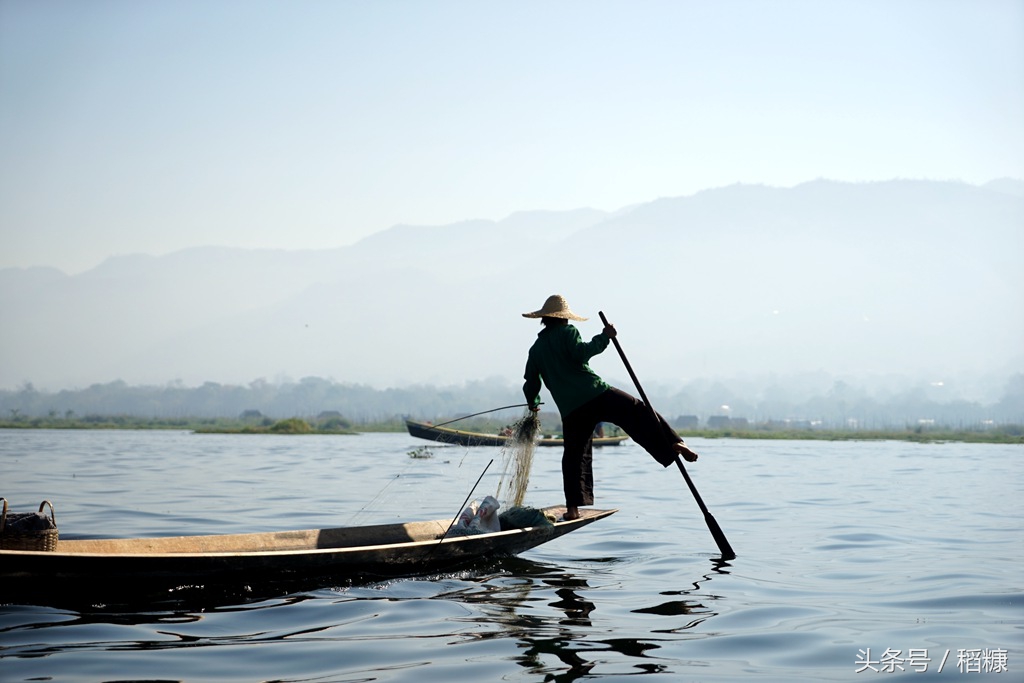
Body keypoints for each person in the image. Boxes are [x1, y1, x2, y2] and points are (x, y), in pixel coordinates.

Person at [522, 294, 700, 520]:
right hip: (596, 393)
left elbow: (531, 382)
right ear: (563, 318)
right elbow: (582, 354)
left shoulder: (536, 349)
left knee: (574, 456)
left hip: (571, 409)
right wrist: (604, 337)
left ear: (545, 319)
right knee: (638, 411)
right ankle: (673, 442)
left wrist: (533, 403)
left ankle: (573, 510)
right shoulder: (568, 332)